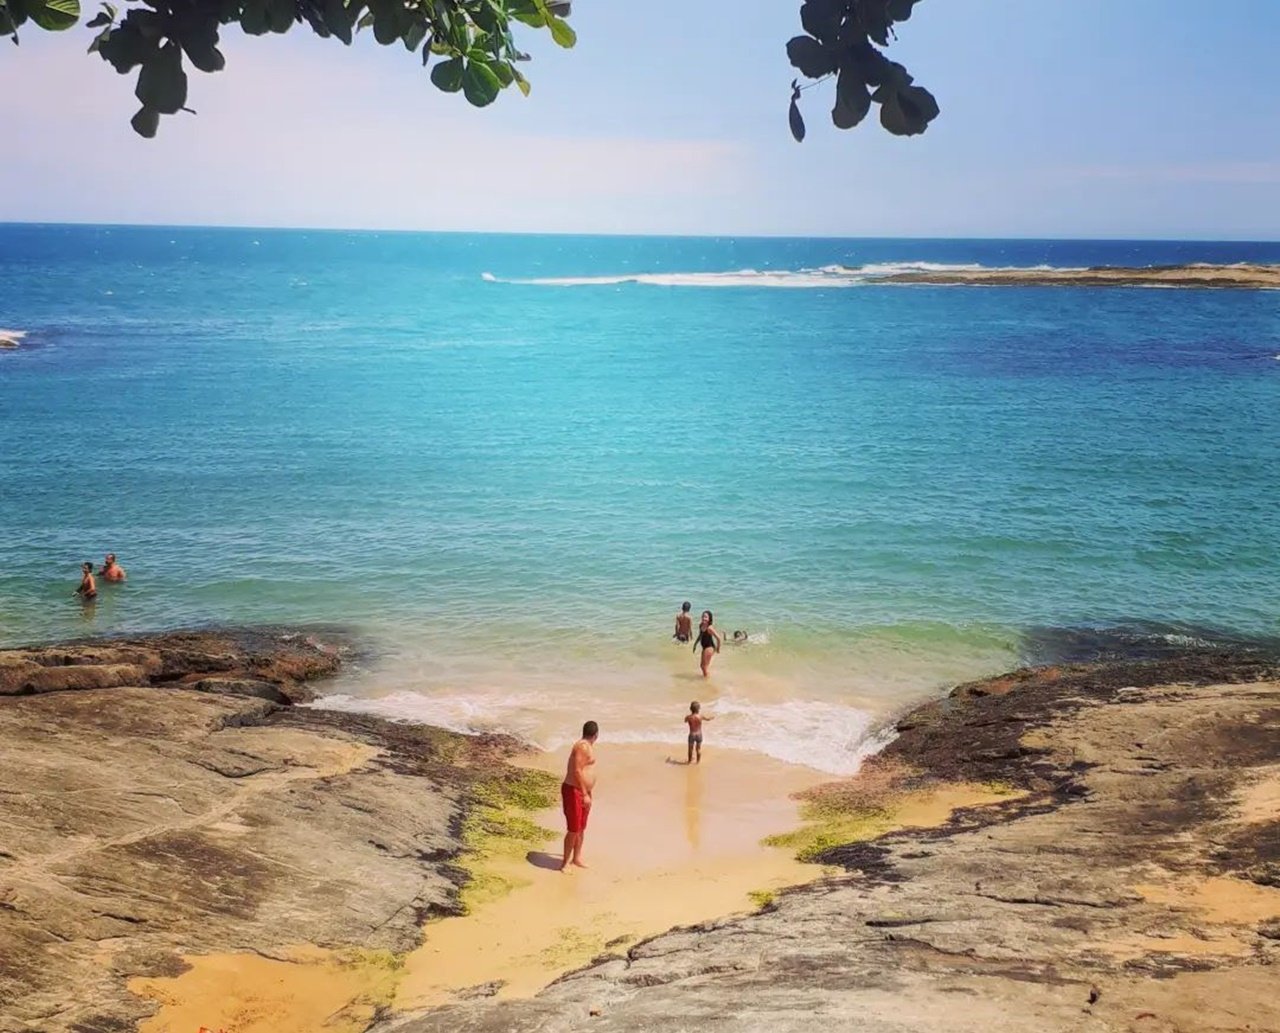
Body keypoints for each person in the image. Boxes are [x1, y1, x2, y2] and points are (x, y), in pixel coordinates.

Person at [560, 720, 599, 871]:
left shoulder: (587, 746)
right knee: (573, 829)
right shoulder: (582, 746)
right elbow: (576, 771)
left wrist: (588, 792)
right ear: (596, 735)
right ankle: (564, 863)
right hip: (574, 790)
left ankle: (576, 858)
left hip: (583, 792)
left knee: (581, 827)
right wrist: (584, 793)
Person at [693, 610, 721, 678]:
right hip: (704, 647)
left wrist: (718, 649)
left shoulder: (709, 628)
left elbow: (719, 638)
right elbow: (700, 636)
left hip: (709, 647)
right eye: (703, 616)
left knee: (703, 666)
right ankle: (706, 678)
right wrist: (695, 644)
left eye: (705, 617)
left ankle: (706, 680)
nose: (703, 618)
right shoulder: (701, 625)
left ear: (709, 619)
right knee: (703, 666)